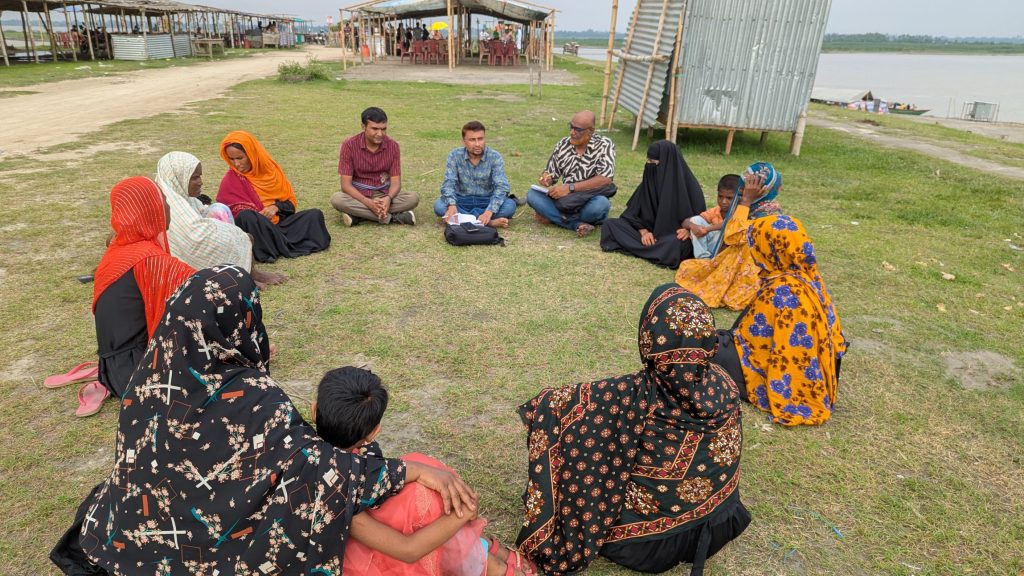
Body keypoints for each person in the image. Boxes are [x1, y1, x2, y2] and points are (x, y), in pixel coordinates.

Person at [51, 266, 479, 575]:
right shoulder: (250, 393)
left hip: (126, 538)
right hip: (205, 553)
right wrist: (412, 469)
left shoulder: (147, 382)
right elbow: (314, 465)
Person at [517, 284, 750, 575]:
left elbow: (554, 405)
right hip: (719, 524)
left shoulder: (637, 394)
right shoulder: (725, 382)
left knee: (583, 444)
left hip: (652, 546)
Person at [314, 366, 539, 576]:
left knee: (419, 467)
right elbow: (407, 549)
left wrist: (427, 473)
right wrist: (461, 515)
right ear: (374, 432)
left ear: (314, 411)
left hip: (377, 533)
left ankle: (481, 548)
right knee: (420, 500)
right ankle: (484, 558)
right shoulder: (337, 491)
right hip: (363, 558)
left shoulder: (312, 454)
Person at [732, 214, 848, 426]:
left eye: (757, 244)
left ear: (772, 248)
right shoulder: (807, 275)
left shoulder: (782, 290)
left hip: (777, 372)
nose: (753, 249)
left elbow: (756, 346)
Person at [91, 177, 195, 407]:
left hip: (113, 370)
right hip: (139, 373)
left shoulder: (119, 249)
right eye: (163, 200)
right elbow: (205, 289)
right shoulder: (150, 259)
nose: (168, 207)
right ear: (150, 209)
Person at [155, 151, 287, 289]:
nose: (200, 182)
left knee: (234, 226)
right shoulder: (169, 203)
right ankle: (240, 277)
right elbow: (194, 238)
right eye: (194, 178)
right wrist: (229, 232)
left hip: (200, 235)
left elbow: (201, 213)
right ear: (178, 178)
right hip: (185, 252)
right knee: (239, 237)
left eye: (199, 176)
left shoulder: (181, 196)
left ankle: (250, 273)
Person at [675, 162, 784, 310]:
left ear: (763, 189)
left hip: (752, 268)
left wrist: (746, 200)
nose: (743, 190)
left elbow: (732, 236)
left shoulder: (766, 212)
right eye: (745, 185)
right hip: (737, 258)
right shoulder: (754, 206)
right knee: (690, 269)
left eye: (749, 186)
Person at [217, 130, 331, 263]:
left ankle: (278, 245)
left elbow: (290, 205)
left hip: (280, 225)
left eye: (240, 158)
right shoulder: (230, 180)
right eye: (231, 159)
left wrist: (275, 207)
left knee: (314, 214)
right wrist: (258, 216)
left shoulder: (271, 171)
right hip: (259, 230)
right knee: (247, 216)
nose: (236, 164)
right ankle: (273, 248)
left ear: (252, 154)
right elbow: (227, 218)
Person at [599, 140, 706, 268]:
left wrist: (688, 230)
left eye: (653, 163)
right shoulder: (649, 182)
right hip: (649, 236)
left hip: (672, 238)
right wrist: (644, 232)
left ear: (667, 164)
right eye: (648, 161)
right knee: (610, 224)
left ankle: (648, 250)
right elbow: (632, 214)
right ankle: (656, 252)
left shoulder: (690, 187)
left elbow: (700, 219)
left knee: (679, 245)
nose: (649, 166)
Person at [528, 110, 616, 237]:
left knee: (600, 204)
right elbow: (551, 172)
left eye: (578, 129)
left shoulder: (604, 145)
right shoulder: (563, 144)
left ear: (591, 131)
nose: (572, 132)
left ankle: (556, 216)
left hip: (589, 199)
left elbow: (605, 178)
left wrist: (570, 188)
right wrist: (546, 178)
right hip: (566, 202)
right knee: (532, 195)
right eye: (571, 126)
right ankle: (576, 224)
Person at [332, 107, 419, 226]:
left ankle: (358, 216)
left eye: (383, 129)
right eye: (375, 129)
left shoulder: (393, 146)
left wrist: (388, 198)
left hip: (384, 193)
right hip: (359, 195)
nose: (380, 134)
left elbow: (396, 183)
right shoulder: (349, 145)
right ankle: (393, 218)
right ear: (363, 126)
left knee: (413, 198)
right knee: (337, 199)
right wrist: (368, 203)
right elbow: (345, 185)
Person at [434, 121, 515, 228]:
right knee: (439, 206)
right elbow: (449, 183)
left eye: (480, 139)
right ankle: (488, 223)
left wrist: (489, 211)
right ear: (464, 141)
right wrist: (452, 205)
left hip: (486, 200)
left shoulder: (495, 157)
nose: (477, 144)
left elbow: (502, 187)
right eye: (472, 140)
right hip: (461, 200)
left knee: (510, 206)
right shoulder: (454, 155)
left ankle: (464, 219)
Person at [683, 174, 738, 259]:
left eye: (729, 198)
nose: (723, 201)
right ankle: (703, 258)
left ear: (739, 197)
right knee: (695, 220)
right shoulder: (716, 211)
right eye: (720, 196)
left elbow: (728, 223)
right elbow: (686, 222)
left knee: (723, 233)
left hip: (731, 251)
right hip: (713, 248)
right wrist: (693, 227)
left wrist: (707, 229)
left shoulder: (741, 211)